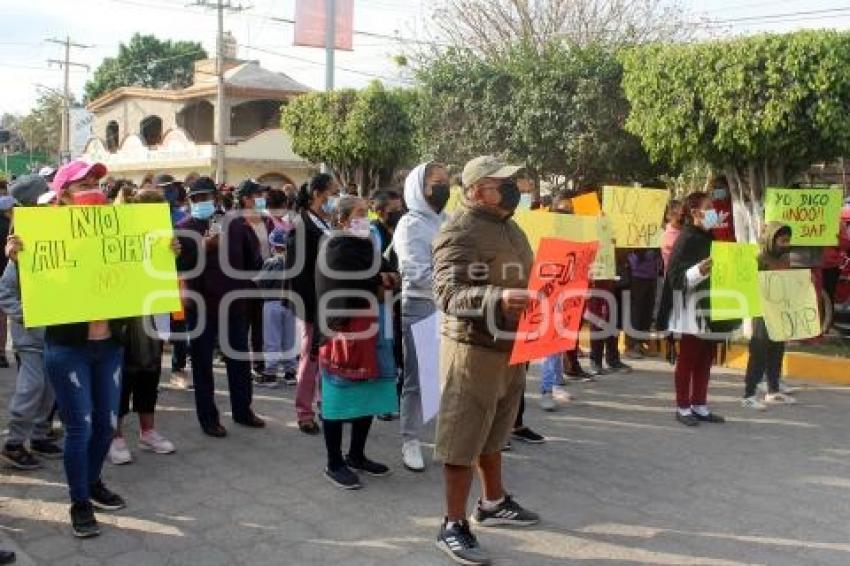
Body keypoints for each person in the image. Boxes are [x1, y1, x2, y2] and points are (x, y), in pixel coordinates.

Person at [7, 160, 126, 538]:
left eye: (96, 182)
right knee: (81, 427)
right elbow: (13, 289)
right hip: (66, 348)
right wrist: (18, 258)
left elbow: (141, 275)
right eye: (83, 183)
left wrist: (166, 251)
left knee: (106, 426)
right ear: (62, 194)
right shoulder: (39, 238)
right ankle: (79, 503)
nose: (93, 187)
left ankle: (91, 482)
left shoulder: (116, 233)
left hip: (108, 347)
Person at [432, 156, 539, 566]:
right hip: (473, 349)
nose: (513, 188)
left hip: (512, 345)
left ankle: (493, 502)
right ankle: (452, 524)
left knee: (495, 430)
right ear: (476, 190)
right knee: (463, 436)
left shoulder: (510, 226)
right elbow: (447, 293)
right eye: (502, 183)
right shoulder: (458, 231)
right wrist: (496, 298)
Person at [315, 197, 397, 489]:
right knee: (338, 399)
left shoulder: (366, 245)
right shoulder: (334, 247)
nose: (366, 217)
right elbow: (349, 285)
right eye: (360, 213)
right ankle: (334, 462)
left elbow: (389, 274)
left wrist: (381, 279)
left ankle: (356, 455)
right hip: (343, 333)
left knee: (369, 393)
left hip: (372, 330)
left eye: (366, 212)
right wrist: (378, 281)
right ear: (342, 220)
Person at [176, 176, 265, 438]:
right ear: (190, 201)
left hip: (234, 305)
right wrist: (204, 247)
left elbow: (253, 263)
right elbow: (179, 267)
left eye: (207, 197)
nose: (203, 202)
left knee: (238, 359)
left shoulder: (236, 225)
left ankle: (243, 410)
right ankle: (208, 418)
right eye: (197, 198)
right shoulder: (183, 229)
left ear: (216, 199)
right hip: (201, 308)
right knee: (203, 364)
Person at [108, 189, 177, 465]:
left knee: (150, 374)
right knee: (124, 377)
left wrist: (173, 253)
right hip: (125, 318)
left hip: (153, 314)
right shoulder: (118, 236)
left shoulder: (164, 237)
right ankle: (115, 436)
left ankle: (147, 431)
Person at [0, 175, 62, 471]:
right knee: (31, 387)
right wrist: (29, 313)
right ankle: (14, 443)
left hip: (54, 333)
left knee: (49, 388)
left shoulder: (54, 241)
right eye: (45, 203)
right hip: (30, 336)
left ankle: (39, 435)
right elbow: (5, 292)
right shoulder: (19, 251)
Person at [658, 191, 729, 427]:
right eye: (709, 207)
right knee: (688, 358)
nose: (713, 212)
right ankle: (683, 406)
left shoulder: (709, 237)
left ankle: (699, 405)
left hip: (709, 306)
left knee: (705, 358)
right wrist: (701, 270)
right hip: (689, 309)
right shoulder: (687, 238)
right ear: (696, 212)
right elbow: (676, 277)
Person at [394, 163, 449, 471]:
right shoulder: (410, 224)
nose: (442, 187)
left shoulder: (448, 220)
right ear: (418, 187)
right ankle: (410, 439)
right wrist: (454, 283)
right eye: (435, 183)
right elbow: (414, 271)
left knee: (441, 376)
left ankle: (438, 434)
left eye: (445, 182)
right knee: (418, 376)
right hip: (421, 305)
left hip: (450, 306)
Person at [287, 174, 340, 434]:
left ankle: (323, 403)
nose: (336, 198)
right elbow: (298, 272)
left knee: (326, 357)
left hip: (328, 301)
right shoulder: (302, 225)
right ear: (318, 193)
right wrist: (311, 308)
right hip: (312, 303)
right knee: (310, 357)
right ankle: (304, 411)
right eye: (333, 192)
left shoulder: (325, 222)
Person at [742, 222, 797, 409]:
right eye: (782, 240)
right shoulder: (760, 259)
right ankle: (749, 394)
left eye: (788, 240)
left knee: (777, 350)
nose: (786, 244)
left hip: (779, 312)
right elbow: (749, 284)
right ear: (772, 240)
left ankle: (773, 390)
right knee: (759, 351)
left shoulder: (784, 258)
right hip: (762, 312)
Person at [233, 180, 276, 382]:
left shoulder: (267, 220)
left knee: (261, 324)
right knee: (244, 324)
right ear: (246, 199)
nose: (262, 198)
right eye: (258, 195)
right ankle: (242, 363)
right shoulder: (235, 222)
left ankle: (259, 364)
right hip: (244, 281)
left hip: (266, 280)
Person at [255, 227, 298, 387]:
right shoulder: (294, 262)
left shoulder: (271, 262)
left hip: (272, 303)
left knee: (272, 339)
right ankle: (290, 373)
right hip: (290, 304)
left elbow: (261, 282)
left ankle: (271, 374)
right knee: (289, 340)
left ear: (273, 245)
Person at [624, 249, 661, 358]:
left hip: (651, 275)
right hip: (637, 274)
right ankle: (631, 345)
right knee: (636, 312)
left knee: (647, 311)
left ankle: (641, 343)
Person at [0, 194, 13, 368]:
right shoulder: (9, 225)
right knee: (1, 318)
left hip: (5, 273)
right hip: (4, 272)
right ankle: (1, 354)